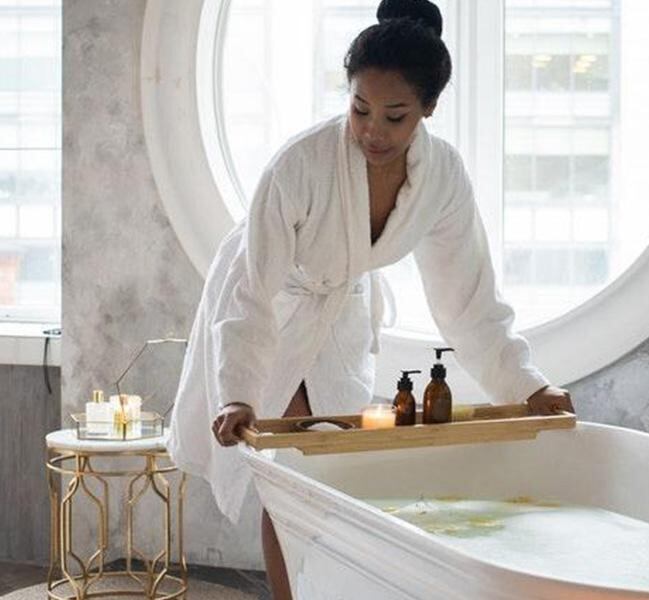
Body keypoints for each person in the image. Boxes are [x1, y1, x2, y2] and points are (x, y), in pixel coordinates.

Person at [167, 0, 574, 598]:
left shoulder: (443, 176)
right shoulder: (301, 163)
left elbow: (468, 298)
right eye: (359, 109)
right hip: (272, 303)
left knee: (340, 476)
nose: (372, 131)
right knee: (296, 473)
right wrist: (239, 390)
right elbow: (252, 287)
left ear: (428, 108)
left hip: (340, 310)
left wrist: (528, 386)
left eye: (394, 116)